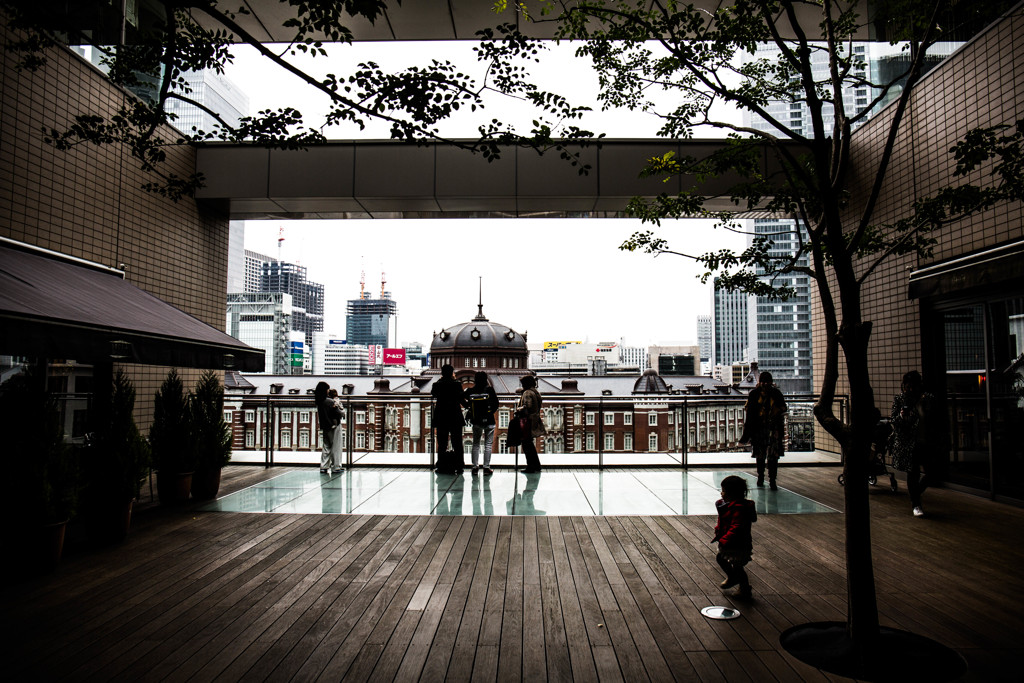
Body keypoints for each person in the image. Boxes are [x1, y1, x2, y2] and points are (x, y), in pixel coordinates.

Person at [890, 370, 942, 517]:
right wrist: (902, 416)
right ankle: (916, 503)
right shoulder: (900, 400)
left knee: (931, 471)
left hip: (926, 441)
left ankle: (915, 494)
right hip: (909, 443)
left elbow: (936, 419)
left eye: (913, 386)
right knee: (913, 472)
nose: (910, 389)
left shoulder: (928, 399)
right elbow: (894, 422)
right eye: (908, 386)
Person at [739, 371, 787, 490]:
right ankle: (766, 479)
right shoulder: (775, 393)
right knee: (766, 456)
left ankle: (768, 479)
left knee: (768, 456)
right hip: (768, 429)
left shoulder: (754, 394)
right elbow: (783, 408)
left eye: (767, 382)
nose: (765, 384)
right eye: (763, 382)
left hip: (764, 429)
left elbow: (749, 415)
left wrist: (746, 435)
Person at [712, 475, 757, 600]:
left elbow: (736, 527)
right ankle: (735, 580)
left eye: (724, 490)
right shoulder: (730, 506)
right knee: (724, 560)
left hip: (738, 544)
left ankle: (744, 588)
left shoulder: (739, 509)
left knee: (737, 566)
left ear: (732, 493)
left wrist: (724, 538)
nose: (721, 493)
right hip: (732, 542)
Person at [431, 364, 467, 471]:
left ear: (442, 373)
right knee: (457, 442)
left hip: (441, 417)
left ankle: (441, 465)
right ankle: (459, 465)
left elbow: (434, 394)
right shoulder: (456, 384)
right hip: (455, 416)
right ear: (452, 373)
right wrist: (468, 406)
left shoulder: (437, 384)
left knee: (442, 443)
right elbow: (461, 399)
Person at [465, 371, 499, 475]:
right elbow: (496, 404)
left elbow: (460, 396)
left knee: (476, 444)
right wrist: (489, 413)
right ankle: (486, 468)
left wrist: (469, 407)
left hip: (476, 420)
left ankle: (475, 467)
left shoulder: (471, 390)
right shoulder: (489, 390)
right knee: (488, 444)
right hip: (489, 420)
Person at [517, 374, 546, 473]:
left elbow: (527, 407)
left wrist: (518, 409)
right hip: (534, 419)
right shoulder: (536, 392)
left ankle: (531, 466)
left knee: (526, 444)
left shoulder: (528, 393)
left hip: (527, 421)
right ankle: (536, 465)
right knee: (530, 444)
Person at [314, 381, 343, 474]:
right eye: (327, 389)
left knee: (326, 446)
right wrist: (339, 406)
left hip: (325, 425)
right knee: (336, 446)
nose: (328, 391)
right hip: (334, 426)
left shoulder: (319, 401)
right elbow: (339, 413)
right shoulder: (330, 401)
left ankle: (324, 466)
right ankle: (336, 467)